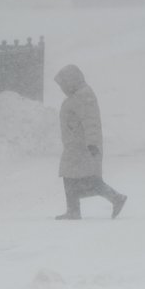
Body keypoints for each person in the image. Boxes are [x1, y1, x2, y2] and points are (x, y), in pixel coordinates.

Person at [54, 64, 127, 220]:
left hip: (82, 146)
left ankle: (77, 210)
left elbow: (91, 121)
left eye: (63, 84)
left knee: (79, 178)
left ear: (71, 81)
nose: (62, 88)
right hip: (75, 145)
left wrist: (92, 143)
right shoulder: (78, 96)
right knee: (76, 178)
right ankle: (112, 199)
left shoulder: (83, 97)